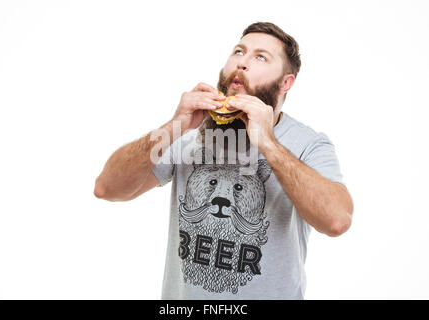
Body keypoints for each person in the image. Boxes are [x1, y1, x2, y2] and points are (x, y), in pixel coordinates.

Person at [93, 22, 354, 300]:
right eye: (239, 51)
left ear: (286, 82)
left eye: (260, 57)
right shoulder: (188, 133)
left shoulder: (308, 143)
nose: (242, 62)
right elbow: (107, 188)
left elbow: (337, 221)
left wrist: (267, 142)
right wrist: (174, 126)